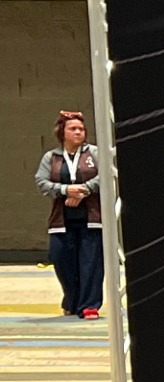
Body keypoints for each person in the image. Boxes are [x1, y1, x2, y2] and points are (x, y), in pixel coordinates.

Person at [33, 111, 103, 320]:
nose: (78, 132)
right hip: (61, 221)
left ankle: (90, 305)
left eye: (81, 129)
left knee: (91, 264)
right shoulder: (51, 157)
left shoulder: (94, 154)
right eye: (73, 129)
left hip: (91, 220)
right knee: (62, 262)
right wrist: (65, 190)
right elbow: (41, 182)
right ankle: (71, 301)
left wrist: (84, 190)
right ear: (62, 133)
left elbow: (107, 175)